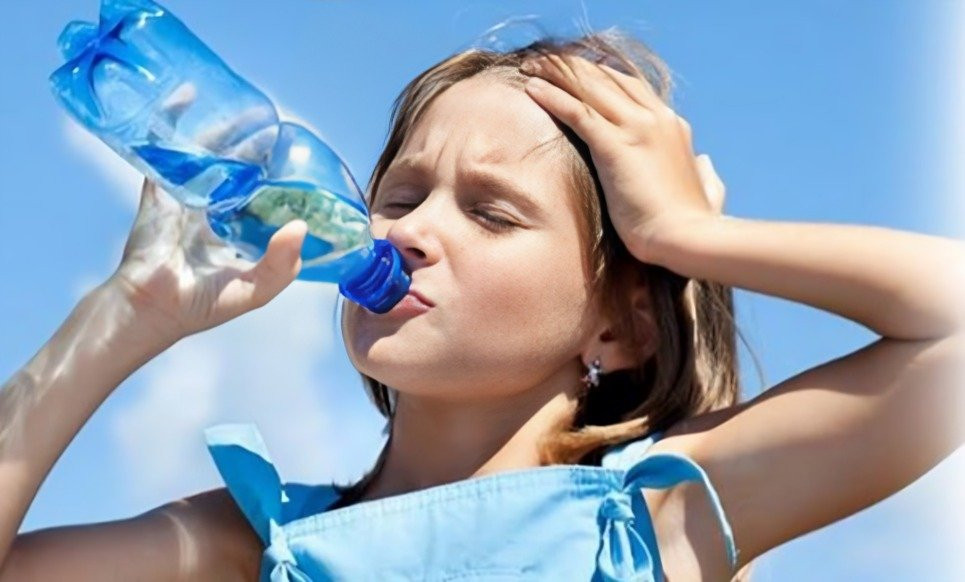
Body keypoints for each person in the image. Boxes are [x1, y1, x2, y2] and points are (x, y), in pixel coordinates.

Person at [1, 30, 962, 581]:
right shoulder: (250, 545)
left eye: (491, 214)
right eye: (400, 194)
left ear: (618, 324)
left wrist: (687, 239)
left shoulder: (655, 517)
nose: (410, 231)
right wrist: (124, 314)